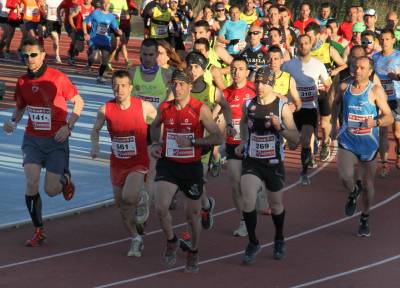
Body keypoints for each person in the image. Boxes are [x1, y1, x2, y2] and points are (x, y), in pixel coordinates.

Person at [2, 38, 84, 247]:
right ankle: (39, 230)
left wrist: (69, 127)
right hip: (33, 140)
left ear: (43, 55)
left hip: (56, 140)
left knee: (50, 190)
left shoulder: (57, 78)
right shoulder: (22, 82)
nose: (29, 59)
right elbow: (21, 107)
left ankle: (65, 180)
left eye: (33, 55)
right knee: (31, 182)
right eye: (25, 55)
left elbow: (78, 102)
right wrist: (13, 121)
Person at [150, 69, 223, 273]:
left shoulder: (200, 109)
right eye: (175, 83)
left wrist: (193, 141)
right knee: (160, 207)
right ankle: (171, 240)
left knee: (192, 216)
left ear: (190, 86)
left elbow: (217, 138)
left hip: (191, 166)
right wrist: (155, 143)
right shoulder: (164, 107)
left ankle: (194, 251)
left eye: (182, 84)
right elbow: (154, 126)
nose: (178, 87)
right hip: (169, 163)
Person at [235, 66, 299, 264]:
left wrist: (280, 128)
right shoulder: (248, 105)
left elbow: (295, 138)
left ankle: (279, 237)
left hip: (274, 163)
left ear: (272, 84)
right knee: (247, 199)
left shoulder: (282, 107)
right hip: (252, 161)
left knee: (276, 205)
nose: (260, 86)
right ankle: (253, 242)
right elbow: (245, 125)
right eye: (258, 82)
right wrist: (244, 142)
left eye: (264, 82)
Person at [91, 70, 157, 257]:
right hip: (117, 163)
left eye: (123, 86)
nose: (119, 90)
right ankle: (136, 238)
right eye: (115, 86)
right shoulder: (105, 109)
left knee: (129, 197)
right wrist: (94, 145)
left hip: (138, 162)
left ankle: (142, 194)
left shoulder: (144, 107)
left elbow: (159, 123)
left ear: (130, 88)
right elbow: (95, 130)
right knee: (122, 206)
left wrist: (156, 143)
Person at [332, 56, 393, 237]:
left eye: (362, 68)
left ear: (369, 71)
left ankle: (365, 217)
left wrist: (374, 122)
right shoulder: (344, 88)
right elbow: (335, 104)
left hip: (368, 143)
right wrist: (335, 123)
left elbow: (389, 116)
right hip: (348, 139)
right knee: (345, 175)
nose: (358, 71)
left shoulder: (375, 91)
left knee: (368, 184)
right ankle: (353, 190)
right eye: (355, 67)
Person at [282, 34, 331, 185]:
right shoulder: (289, 65)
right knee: (291, 144)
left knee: (306, 140)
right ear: (297, 45)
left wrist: (326, 93)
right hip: (292, 109)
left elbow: (328, 83)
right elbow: (280, 82)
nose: (303, 46)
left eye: (306, 43)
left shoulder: (318, 65)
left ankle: (304, 173)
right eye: (300, 43)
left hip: (310, 108)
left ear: (311, 45)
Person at [224, 56, 256, 237]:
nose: (236, 72)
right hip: (233, 143)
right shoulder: (225, 93)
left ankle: (258, 194)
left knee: (249, 183)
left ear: (247, 71)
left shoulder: (253, 91)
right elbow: (218, 116)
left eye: (240, 69)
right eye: (233, 69)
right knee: (235, 183)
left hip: (252, 143)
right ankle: (244, 219)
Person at [305, 22, 347, 162]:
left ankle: (325, 143)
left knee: (324, 123)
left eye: (311, 37)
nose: (308, 41)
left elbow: (343, 65)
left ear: (318, 35)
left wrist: (333, 71)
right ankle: (311, 151)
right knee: (310, 122)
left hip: (325, 91)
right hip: (309, 91)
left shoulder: (328, 49)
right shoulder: (304, 51)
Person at [372, 29, 400, 175]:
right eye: (382, 39)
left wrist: (396, 77)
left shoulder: (398, 55)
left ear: (393, 40)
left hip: (396, 97)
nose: (384, 42)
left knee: (397, 133)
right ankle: (384, 163)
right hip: (381, 98)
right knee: (382, 130)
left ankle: (399, 150)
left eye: (387, 39)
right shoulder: (375, 57)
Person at [83, 0, 123, 83]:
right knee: (94, 56)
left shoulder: (111, 16)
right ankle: (89, 63)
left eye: (107, 4)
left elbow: (115, 27)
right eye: (104, 3)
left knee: (105, 60)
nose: (105, 5)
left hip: (105, 40)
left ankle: (100, 76)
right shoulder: (95, 13)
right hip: (94, 39)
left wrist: (118, 31)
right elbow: (84, 22)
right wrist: (85, 33)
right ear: (101, 4)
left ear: (109, 5)